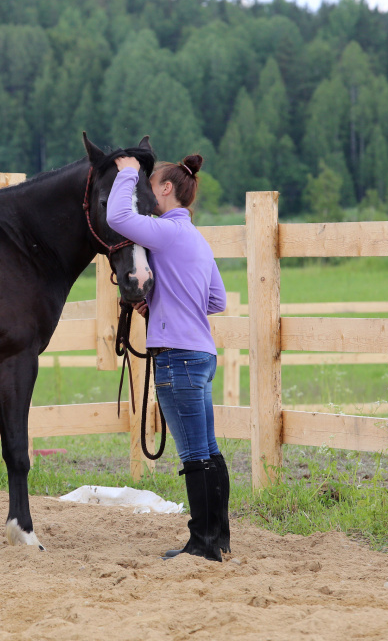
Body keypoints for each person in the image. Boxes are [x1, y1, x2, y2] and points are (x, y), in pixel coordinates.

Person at [106, 153, 230, 562]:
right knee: (208, 449)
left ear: (165, 189)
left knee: (194, 454)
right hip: (201, 352)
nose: (147, 191)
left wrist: (125, 174)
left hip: (176, 358)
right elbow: (216, 300)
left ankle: (203, 544)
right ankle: (218, 538)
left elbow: (118, 218)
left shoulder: (166, 232)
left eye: (150, 184)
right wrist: (163, 303)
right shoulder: (196, 239)